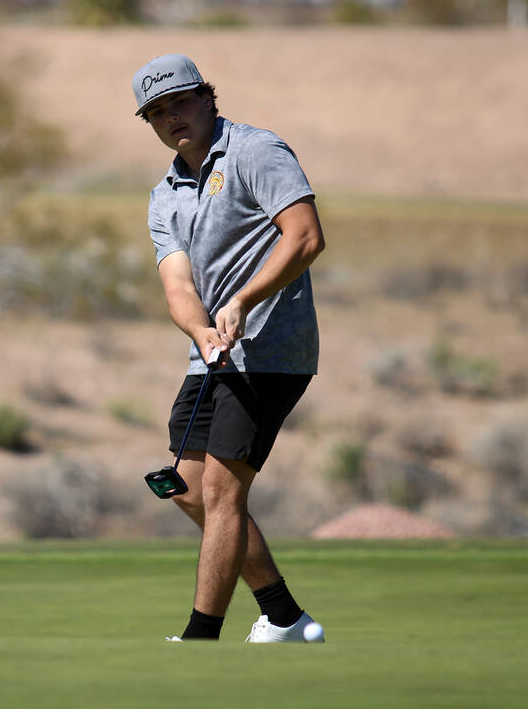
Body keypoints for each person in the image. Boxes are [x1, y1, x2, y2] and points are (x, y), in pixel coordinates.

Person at [134, 54, 327, 643]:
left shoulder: (255, 152)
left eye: (181, 102)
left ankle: (201, 637)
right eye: (158, 112)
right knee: (190, 486)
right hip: (214, 354)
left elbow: (307, 236)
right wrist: (200, 331)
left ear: (208, 97)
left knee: (221, 490)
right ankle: (285, 616)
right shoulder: (164, 195)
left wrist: (244, 300)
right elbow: (178, 287)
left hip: (273, 352)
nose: (173, 118)